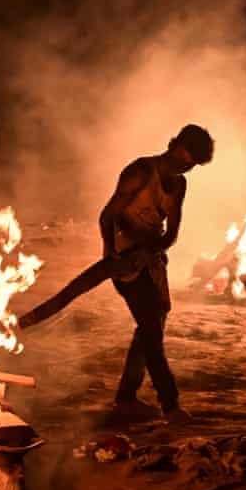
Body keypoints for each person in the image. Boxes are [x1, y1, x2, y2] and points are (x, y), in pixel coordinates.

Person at [99, 124, 215, 424]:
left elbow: (172, 232)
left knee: (151, 327)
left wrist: (156, 249)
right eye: (185, 156)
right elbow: (109, 214)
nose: (186, 166)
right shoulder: (139, 171)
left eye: (192, 164)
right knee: (151, 330)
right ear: (173, 143)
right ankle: (170, 404)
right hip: (124, 259)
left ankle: (126, 399)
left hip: (151, 262)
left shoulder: (178, 185)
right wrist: (111, 250)